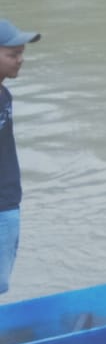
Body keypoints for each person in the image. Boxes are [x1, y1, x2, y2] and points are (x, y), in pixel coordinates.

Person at [0, 19, 42, 297]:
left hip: (7, 202)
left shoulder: (4, 95)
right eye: (13, 54)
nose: (20, 60)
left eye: (21, 54)